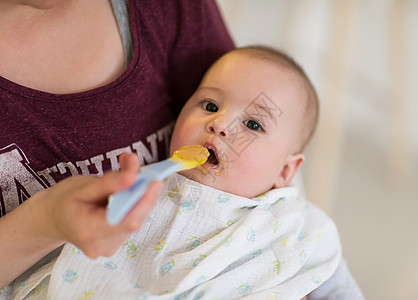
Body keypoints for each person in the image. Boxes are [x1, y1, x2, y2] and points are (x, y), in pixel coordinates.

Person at [0, 1, 363, 299]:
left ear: (286, 172)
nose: (220, 124)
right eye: (209, 105)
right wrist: (46, 221)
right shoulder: (137, 194)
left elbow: (331, 285)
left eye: (253, 124)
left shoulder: (293, 225)